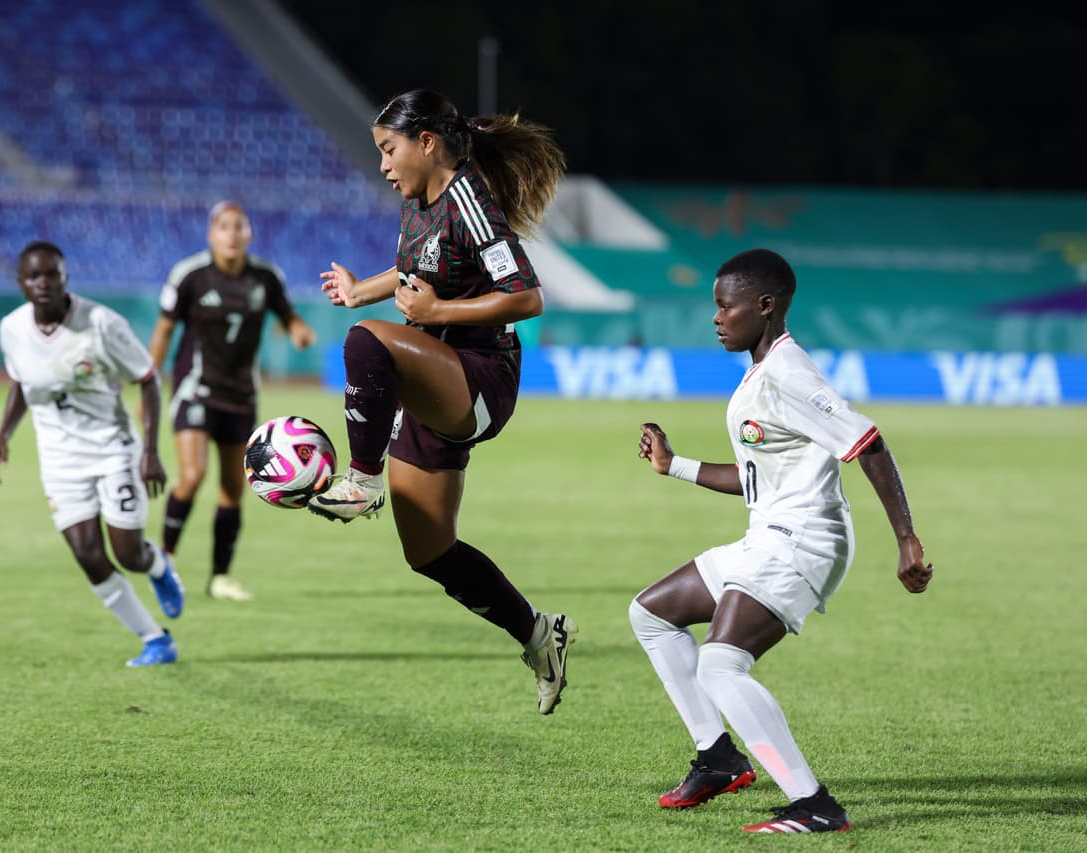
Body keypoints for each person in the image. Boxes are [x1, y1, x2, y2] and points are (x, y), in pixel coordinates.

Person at [629, 248, 934, 832]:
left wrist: (906, 538)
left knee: (721, 667)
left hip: (802, 542)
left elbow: (867, 442)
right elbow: (753, 478)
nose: (716, 318)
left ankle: (815, 805)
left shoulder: (790, 373)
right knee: (651, 613)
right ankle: (717, 758)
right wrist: (673, 466)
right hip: (766, 534)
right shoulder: (760, 373)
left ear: (765, 306)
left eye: (726, 307)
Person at [307, 89, 577, 715]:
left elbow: (527, 296)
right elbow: (412, 271)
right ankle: (540, 634)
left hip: (480, 376)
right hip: (436, 380)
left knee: (367, 344)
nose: (383, 164)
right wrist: (360, 290)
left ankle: (360, 479)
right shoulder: (420, 202)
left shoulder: (469, 199)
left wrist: (437, 312)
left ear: (427, 144)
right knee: (428, 551)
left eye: (389, 149)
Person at [0, 241, 186, 667]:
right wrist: (2, 436)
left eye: (51, 274)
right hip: (60, 461)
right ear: (20, 281)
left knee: (128, 555)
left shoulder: (101, 324)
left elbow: (148, 378)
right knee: (88, 556)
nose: (42, 283)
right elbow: (21, 383)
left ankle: (158, 567)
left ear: (65, 277)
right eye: (33, 276)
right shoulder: (12, 328)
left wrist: (149, 451)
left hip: (113, 449)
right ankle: (155, 640)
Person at [146, 202, 317, 601]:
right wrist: (149, 385)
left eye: (240, 226)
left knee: (233, 490)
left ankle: (220, 577)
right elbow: (163, 332)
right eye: (224, 226)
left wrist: (299, 330)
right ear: (211, 234)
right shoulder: (190, 276)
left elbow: (288, 315)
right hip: (195, 388)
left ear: (250, 234)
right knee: (192, 475)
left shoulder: (266, 278)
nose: (232, 233)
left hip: (241, 395)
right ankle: (164, 562)